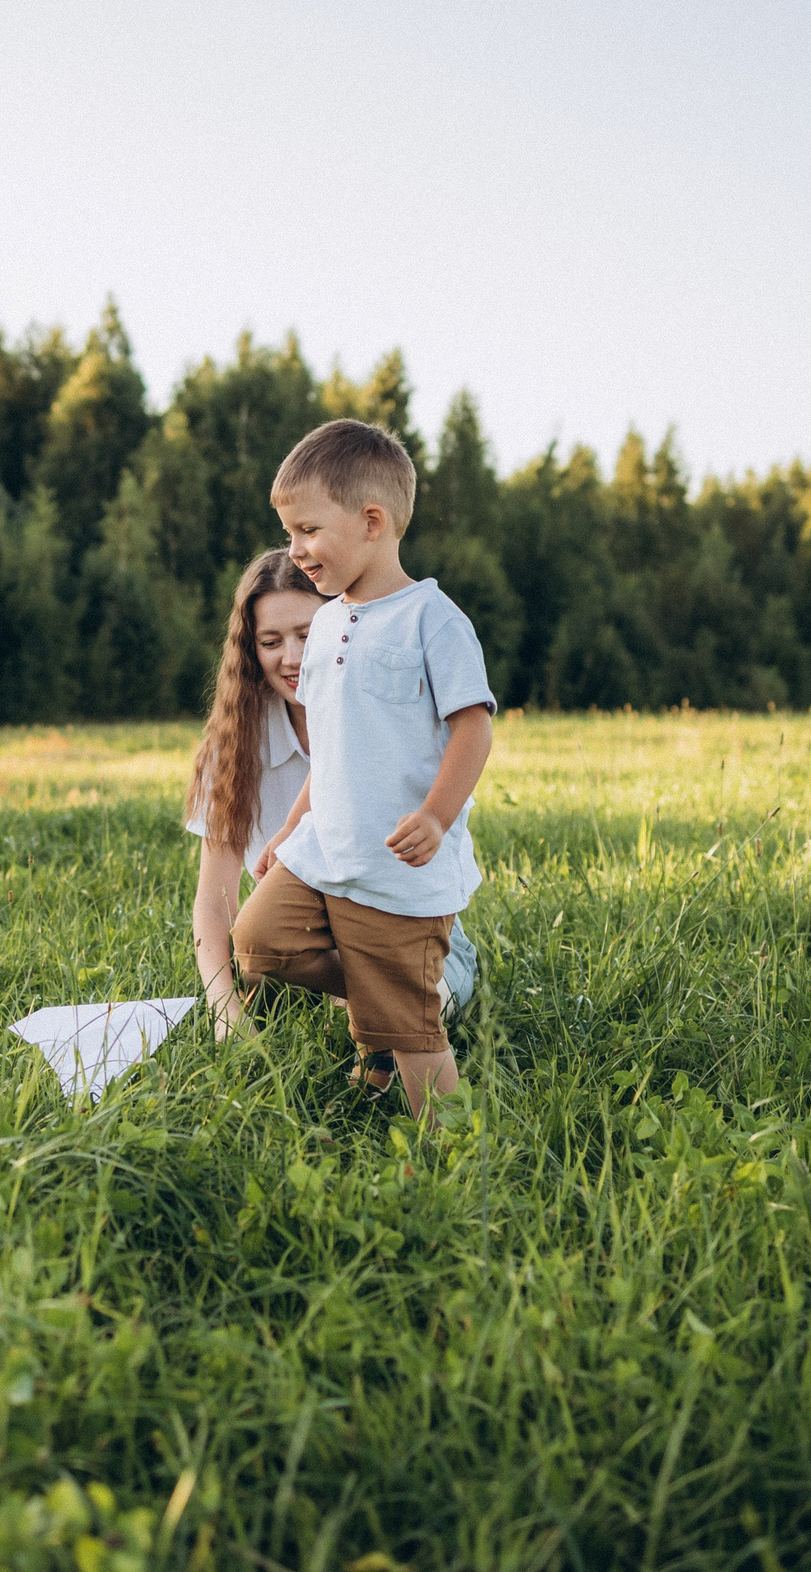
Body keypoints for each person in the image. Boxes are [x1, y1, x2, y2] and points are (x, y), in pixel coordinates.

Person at [232, 419, 496, 1115]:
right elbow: (333, 746)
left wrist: (437, 816)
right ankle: (388, 1001)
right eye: (289, 533)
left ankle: (446, 1146)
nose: (297, 551)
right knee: (259, 940)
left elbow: (474, 725)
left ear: (372, 521)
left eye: (307, 531)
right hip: (326, 849)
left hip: (394, 865)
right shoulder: (325, 623)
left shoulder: (432, 620)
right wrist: (291, 831)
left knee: (414, 1040)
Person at [185, 551, 477, 1043]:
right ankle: (366, 1003)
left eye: (307, 634)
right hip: (299, 948)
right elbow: (215, 902)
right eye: (271, 642)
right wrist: (224, 1010)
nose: (293, 658)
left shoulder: (382, 724)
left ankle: (383, 1010)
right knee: (256, 958)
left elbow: (469, 736)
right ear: (251, 651)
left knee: (426, 1012)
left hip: (409, 936)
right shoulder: (234, 747)